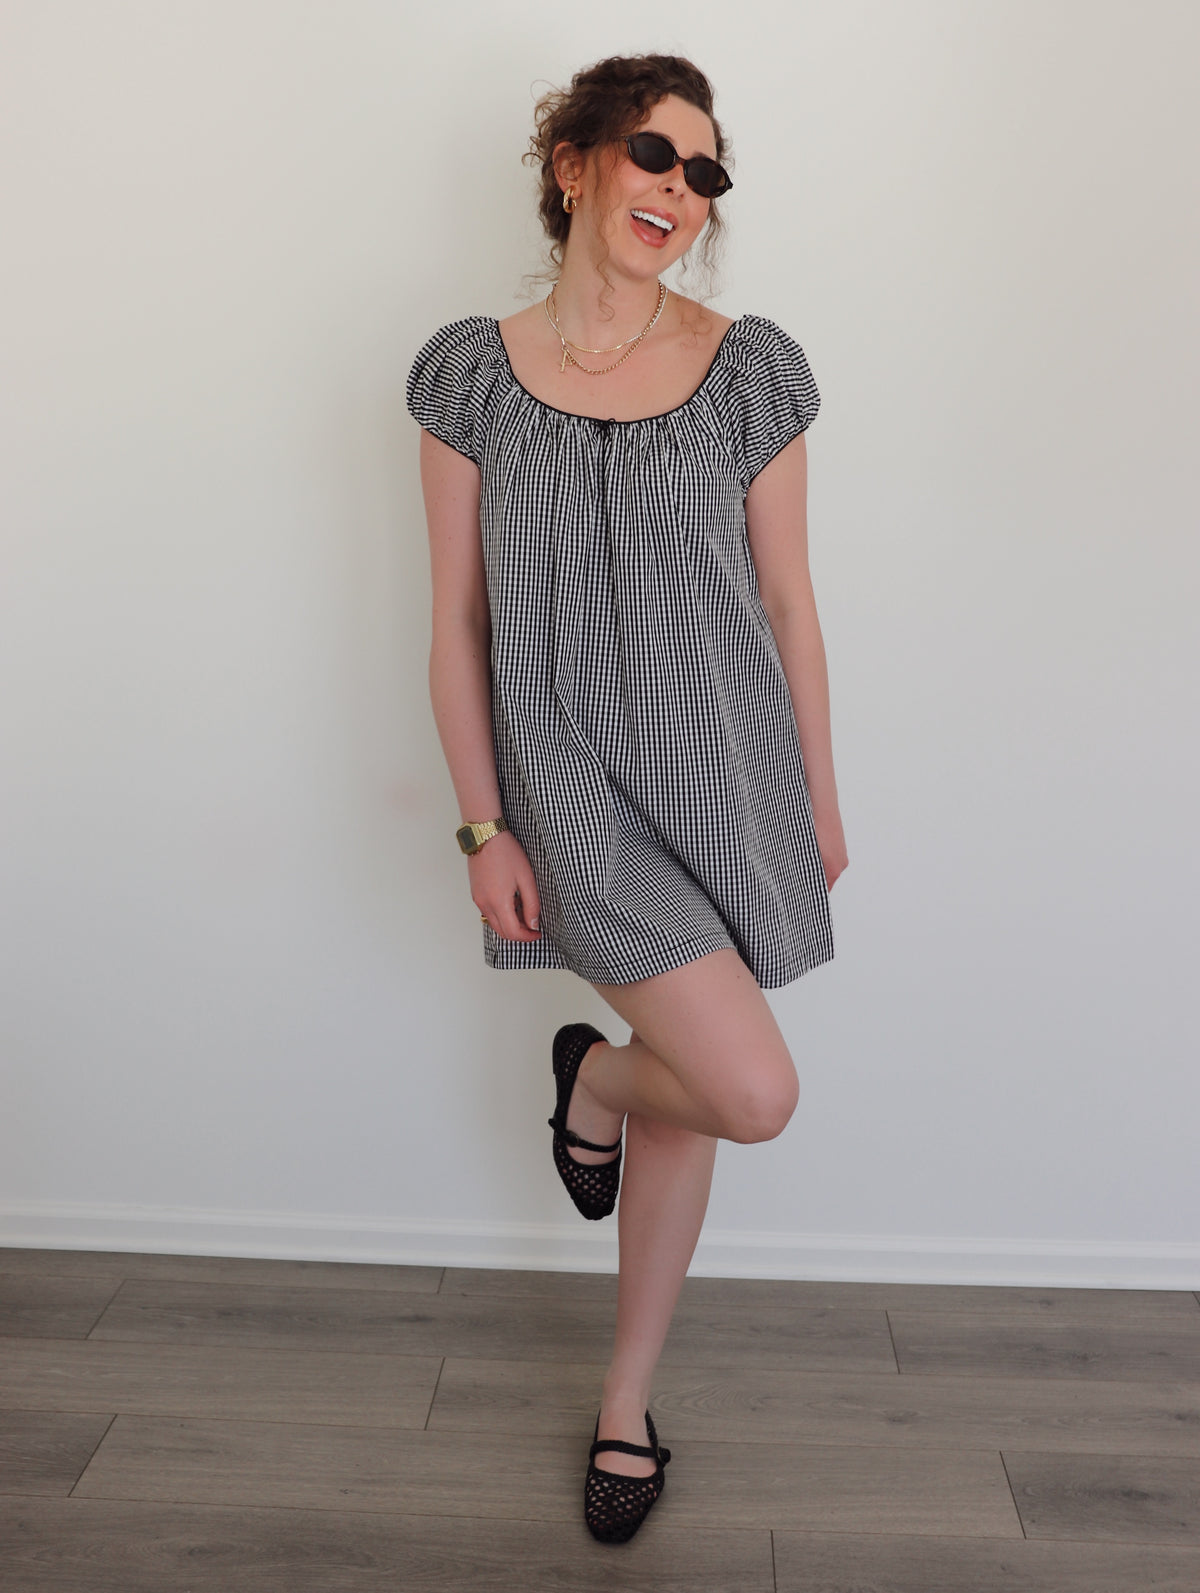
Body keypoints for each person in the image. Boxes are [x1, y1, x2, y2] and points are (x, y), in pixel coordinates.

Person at [407, 52, 848, 1544]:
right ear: (577, 162)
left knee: (699, 1103)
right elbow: (455, 621)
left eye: (705, 174)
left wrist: (821, 802)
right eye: (656, 157)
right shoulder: (471, 372)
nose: (679, 190)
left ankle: (624, 1398)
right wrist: (482, 822)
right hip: (574, 792)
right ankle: (593, 1078)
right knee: (749, 1086)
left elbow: (791, 608)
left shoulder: (749, 368)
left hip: (729, 777)